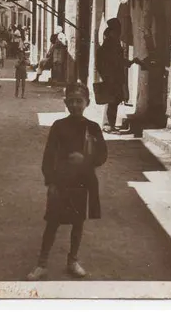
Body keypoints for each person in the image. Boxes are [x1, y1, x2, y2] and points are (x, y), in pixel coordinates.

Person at [28, 83, 107, 280]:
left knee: (77, 223)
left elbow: (102, 155)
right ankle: (42, 264)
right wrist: (51, 182)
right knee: (52, 222)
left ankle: (73, 260)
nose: (75, 105)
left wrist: (86, 160)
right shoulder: (58, 126)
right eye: (70, 101)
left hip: (81, 183)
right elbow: (48, 156)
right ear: (65, 103)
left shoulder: (93, 127)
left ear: (87, 103)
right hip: (60, 182)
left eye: (79, 101)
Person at [95, 18, 141, 133]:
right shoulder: (110, 44)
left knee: (114, 100)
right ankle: (107, 125)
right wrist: (107, 76)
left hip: (114, 77)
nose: (118, 33)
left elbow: (118, 60)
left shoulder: (113, 43)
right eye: (116, 31)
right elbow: (113, 61)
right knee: (112, 100)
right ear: (111, 32)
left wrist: (129, 62)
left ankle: (109, 124)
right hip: (111, 77)